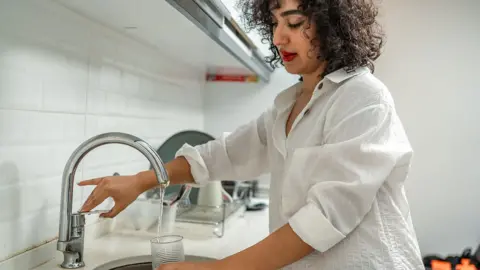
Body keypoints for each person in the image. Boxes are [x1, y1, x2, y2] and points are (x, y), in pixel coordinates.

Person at [78, 0, 425, 269]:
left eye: (294, 23)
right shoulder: (288, 104)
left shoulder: (362, 97)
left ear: (333, 25)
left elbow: (327, 216)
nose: (278, 37)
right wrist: (142, 180)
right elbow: (224, 154)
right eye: (275, 23)